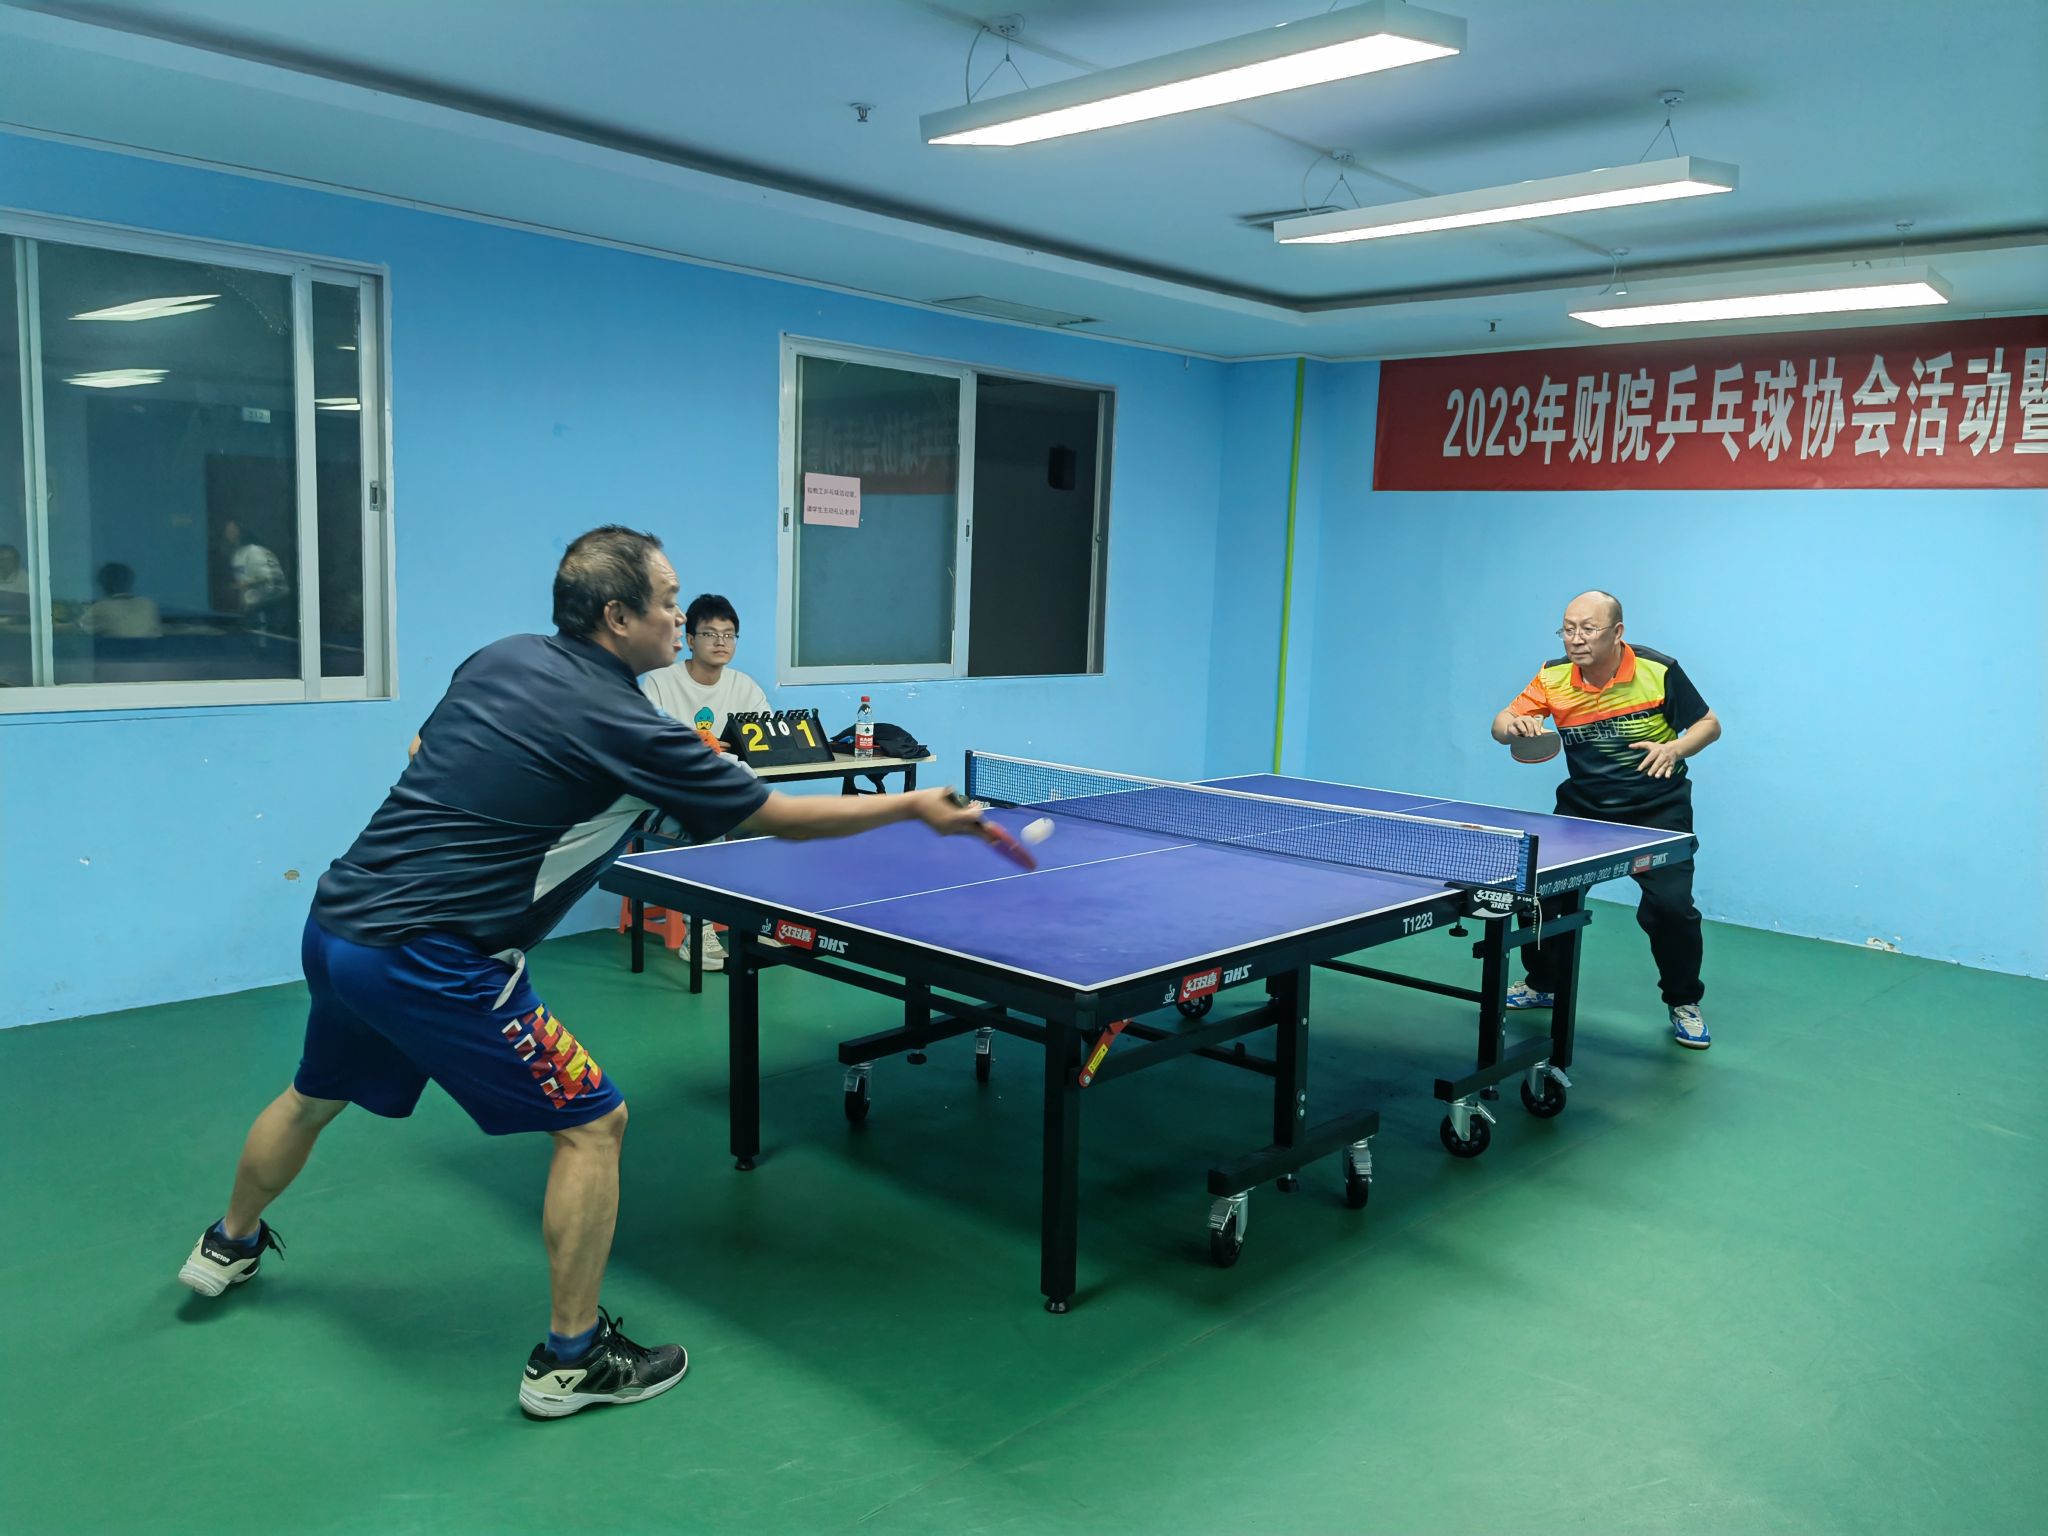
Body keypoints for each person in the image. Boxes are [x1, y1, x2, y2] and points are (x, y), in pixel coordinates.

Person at [177, 525, 1000, 1420]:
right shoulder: (631, 727)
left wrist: (583, 797)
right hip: (434, 956)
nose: (681, 618)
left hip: (340, 921)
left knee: (312, 1095)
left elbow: (424, 754)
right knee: (594, 1125)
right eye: (668, 602)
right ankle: (571, 1363)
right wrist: (915, 804)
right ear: (617, 616)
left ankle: (227, 1245)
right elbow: (777, 818)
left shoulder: (501, 657)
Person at [1491, 590, 1722, 1049]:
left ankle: (1684, 1001)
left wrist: (1675, 748)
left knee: (1671, 909)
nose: (1575, 639)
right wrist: (1512, 725)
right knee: (1544, 897)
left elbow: (1708, 724)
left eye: (1588, 629)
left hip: (1658, 810)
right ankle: (1543, 984)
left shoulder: (1658, 670)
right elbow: (1501, 724)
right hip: (1583, 810)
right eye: (1567, 629)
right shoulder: (1553, 676)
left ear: (1617, 632)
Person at [639, 594, 770, 971]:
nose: (720, 642)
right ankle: (699, 931)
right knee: (708, 819)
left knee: (765, 824)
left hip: (725, 797)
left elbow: (763, 744)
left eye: (729, 635)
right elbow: (643, 746)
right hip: (662, 803)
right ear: (690, 640)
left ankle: (760, 922)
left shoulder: (745, 687)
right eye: (710, 633)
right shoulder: (660, 682)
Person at [223, 519, 290, 633]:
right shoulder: (237, 554)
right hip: (253, 609)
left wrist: (246, 584)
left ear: (240, 530)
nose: (229, 533)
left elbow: (270, 578)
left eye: (232, 530)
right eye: (227, 530)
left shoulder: (255, 551)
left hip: (270, 608)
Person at [77, 561, 164, 638]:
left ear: (104, 584)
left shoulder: (101, 608)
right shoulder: (148, 604)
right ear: (130, 582)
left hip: (114, 651)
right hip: (149, 651)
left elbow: (80, 629)